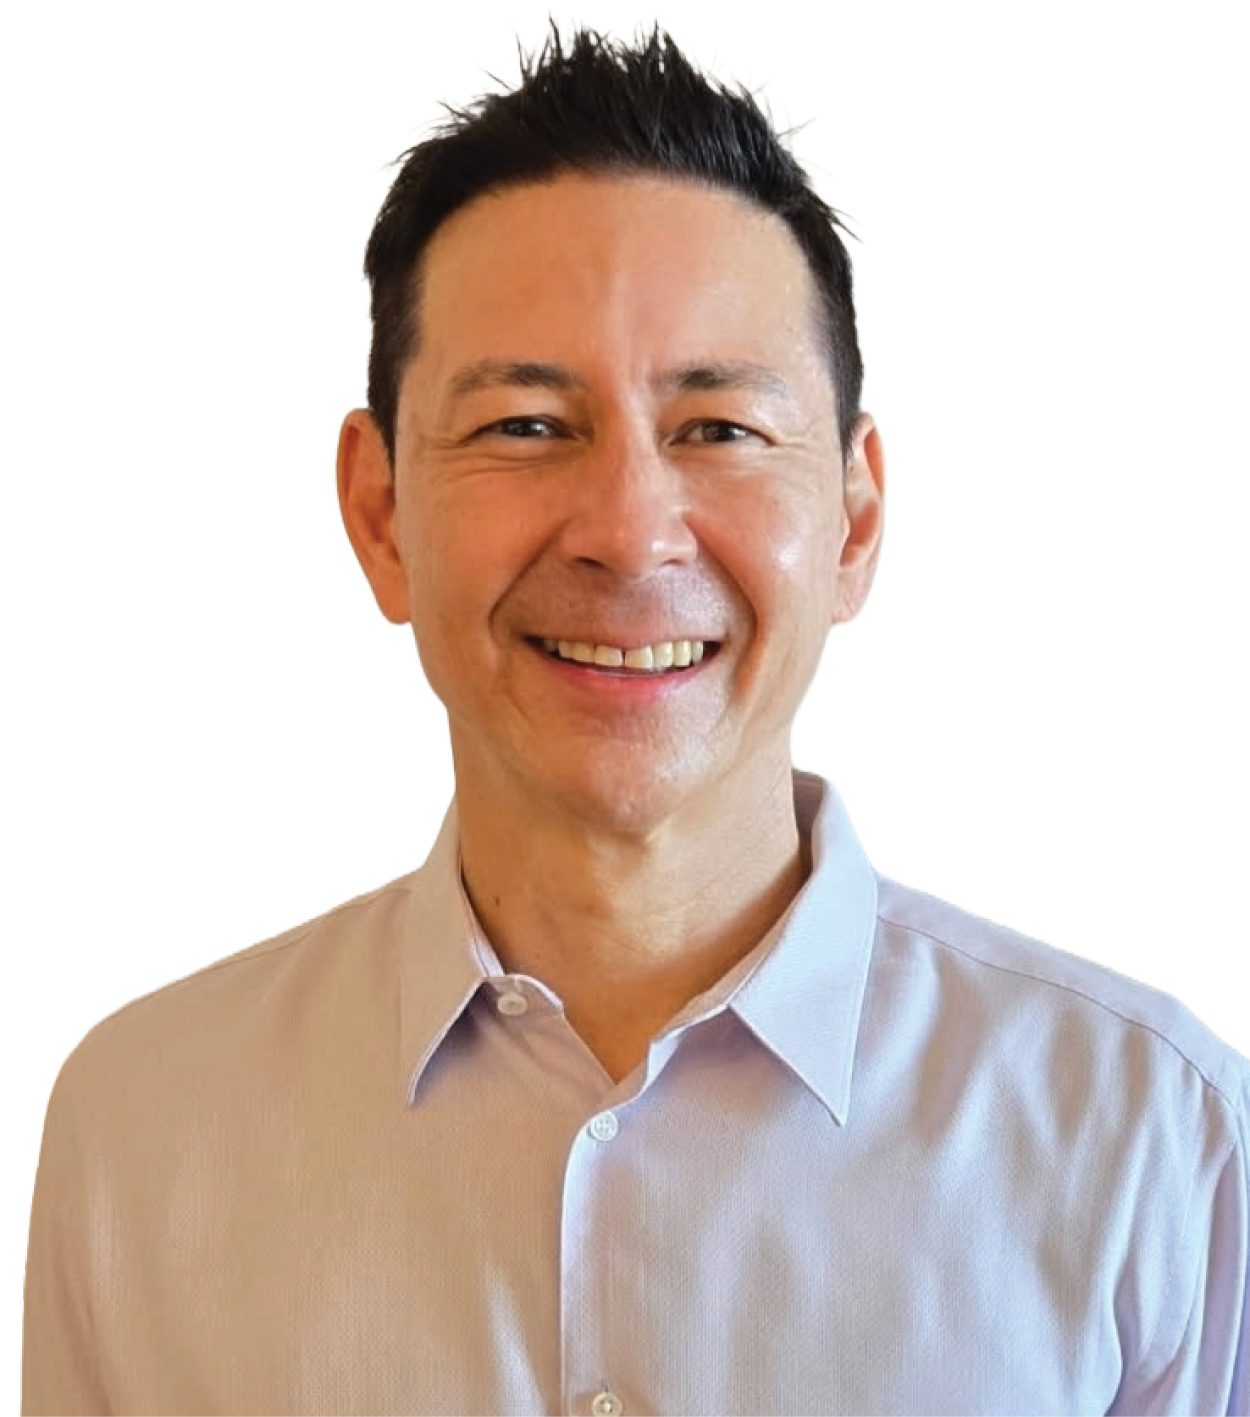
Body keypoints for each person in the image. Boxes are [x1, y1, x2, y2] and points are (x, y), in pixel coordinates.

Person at [21, 14, 1247, 1415]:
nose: (624, 532)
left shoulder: (1160, 1132)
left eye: (717, 427)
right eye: (525, 427)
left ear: (854, 517)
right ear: (378, 517)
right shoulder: (142, 1118)